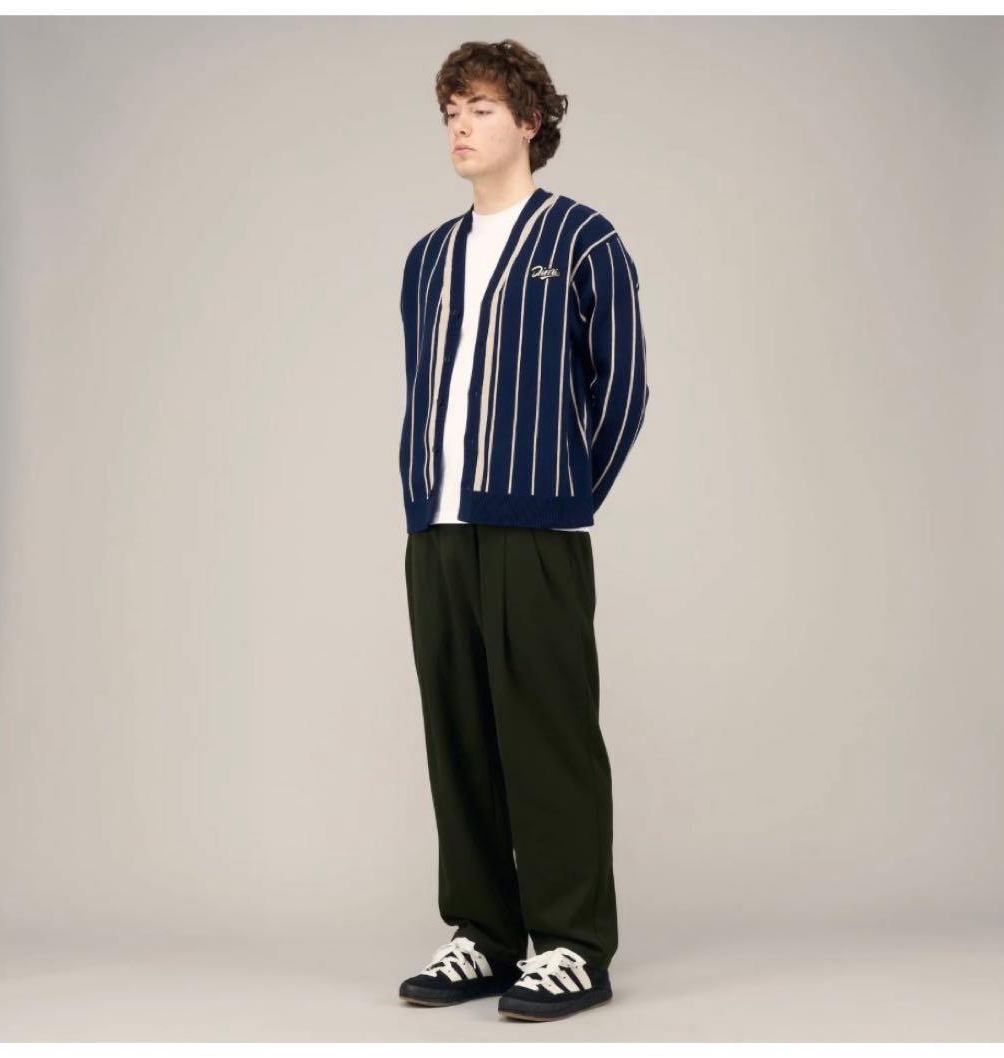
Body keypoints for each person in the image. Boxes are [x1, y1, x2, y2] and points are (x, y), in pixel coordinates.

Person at [397, 38, 650, 1022]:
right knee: (458, 736)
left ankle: (574, 944)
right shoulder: (427, 259)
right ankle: (486, 933)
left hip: (536, 529)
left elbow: (622, 388)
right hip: (437, 531)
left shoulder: (582, 240)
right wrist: (428, 492)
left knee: (549, 738)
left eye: (482, 110)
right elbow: (429, 392)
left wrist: (561, 490)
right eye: (451, 111)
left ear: (530, 122)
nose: (460, 127)